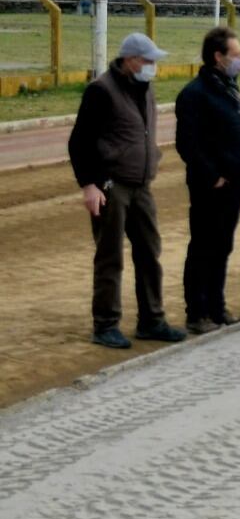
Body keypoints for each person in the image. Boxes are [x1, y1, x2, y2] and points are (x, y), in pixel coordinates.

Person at [67, 33, 187, 349]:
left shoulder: (144, 89)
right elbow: (79, 142)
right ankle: (105, 324)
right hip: (111, 185)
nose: (153, 66)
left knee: (150, 251)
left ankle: (152, 320)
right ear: (130, 59)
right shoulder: (101, 91)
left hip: (141, 185)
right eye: (148, 61)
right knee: (110, 256)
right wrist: (90, 185)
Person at [175, 26, 240, 335]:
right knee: (203, 247)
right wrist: (213, 176)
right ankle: (197, 312)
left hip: (233, 183)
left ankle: (217, 309)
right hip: (210, 186)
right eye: (236, 54)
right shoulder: (195, 94)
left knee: (222, 247)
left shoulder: (228, 88)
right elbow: (187, 144)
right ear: (218, 57)